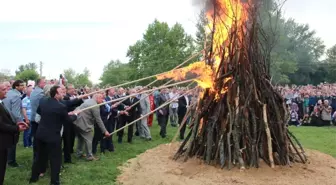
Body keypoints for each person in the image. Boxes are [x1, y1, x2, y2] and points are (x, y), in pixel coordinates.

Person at [29, 85, 78, 185]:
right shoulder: (61, 106)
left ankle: (33, 178)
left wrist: (58, 115)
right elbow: (67, 121)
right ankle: (55, 182)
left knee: (39, 157)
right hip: (53, 137)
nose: (63, 94)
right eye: (61, 92)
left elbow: (40, 112)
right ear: (56, 94)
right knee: (55, 159)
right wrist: (75, 115)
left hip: (40, 134)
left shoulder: (43, 101)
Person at [0, 82, 27, 185]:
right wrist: (16, 128)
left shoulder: (2, 102)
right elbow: (1, 125)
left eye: (7, 88)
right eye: (3, 89)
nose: (7, 91)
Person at [73, 94, 110, 161]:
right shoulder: (95, 105)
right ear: (97, 97)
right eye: (101, 99)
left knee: (81, 139)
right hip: (83, 123)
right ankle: (89, 156)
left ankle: (79, 153)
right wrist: (105, 131)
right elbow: (98, 119)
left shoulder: (88, 101)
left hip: (77, 122)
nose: (103, 100)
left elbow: (78, 107)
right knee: (89, 139)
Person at [3, 80, 25, 167]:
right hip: (12, 122)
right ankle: (11, 161)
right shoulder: (16, 96)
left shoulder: (9, 93)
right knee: (12, 142)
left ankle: (7, 160)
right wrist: (20, 122)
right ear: (16, 86)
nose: (23, 87)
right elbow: (16, 113)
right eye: (21, 85)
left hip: (4, 120)